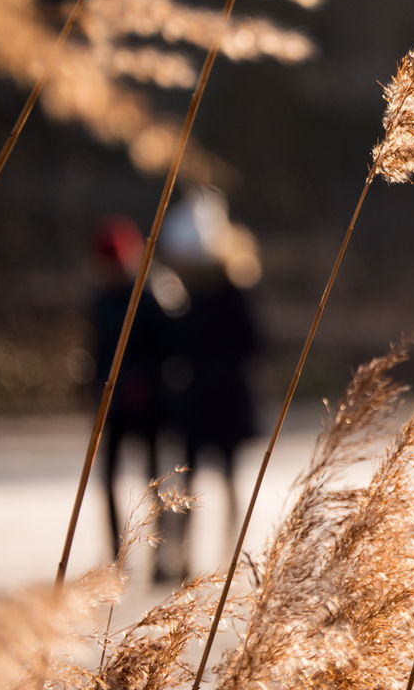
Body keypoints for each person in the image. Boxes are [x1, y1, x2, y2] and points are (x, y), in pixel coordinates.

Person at [159, 187, 262, 580]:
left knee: (223, 475)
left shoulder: (228, 292)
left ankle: (229, 549)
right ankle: (184, 553)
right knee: (195, 476)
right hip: (205, 399)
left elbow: (251, 343)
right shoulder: (190, 294)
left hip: (219, 397)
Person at [86, 214, 174, 562]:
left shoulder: (151, 295)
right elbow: (97, 349)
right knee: (107, 478)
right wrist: (94, 386)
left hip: (149, 402)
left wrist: (149, 382)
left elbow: (168, 350)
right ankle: (115, 554)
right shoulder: (100, 300)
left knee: (155, 478)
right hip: (113, 402)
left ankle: (161, 553)